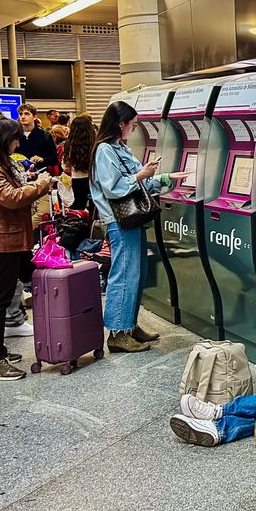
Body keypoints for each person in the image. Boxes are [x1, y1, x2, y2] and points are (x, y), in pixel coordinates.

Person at [91, 101, 188, 353]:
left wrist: (166, 178)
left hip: (131, 220)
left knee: (137, 272)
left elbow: (139, 179)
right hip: (118, 221)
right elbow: (114, 188)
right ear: (120, 124)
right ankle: (117, 334)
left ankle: (129, 325)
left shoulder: (119, 148)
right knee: (124, 274)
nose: (134, 130)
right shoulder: (104, 150)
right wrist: (141, 175)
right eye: (132, 125)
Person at [0, 116, 54, 380]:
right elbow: (10, 198)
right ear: (2, 139)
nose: (17, 143)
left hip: (4, 239)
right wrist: (40, 185)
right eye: (14, 138)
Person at [62, 115, 95, 211]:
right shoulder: (95, 143)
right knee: (94, 208)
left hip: (77, 179)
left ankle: (78, 224)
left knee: (78, 207)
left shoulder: (69, 145)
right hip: (93, 179)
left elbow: (65, 166)